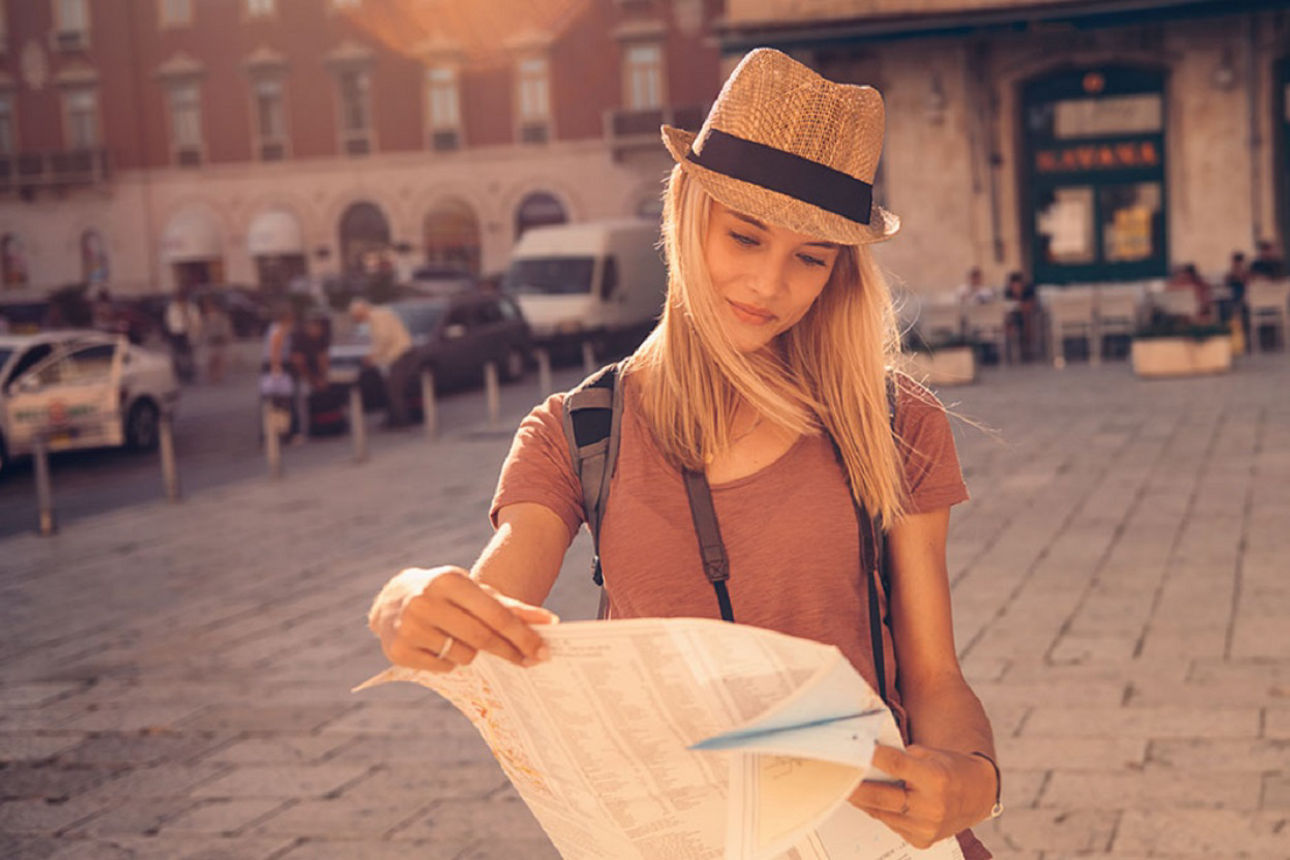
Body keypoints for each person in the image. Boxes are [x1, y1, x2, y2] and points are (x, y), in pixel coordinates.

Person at [366, 49, 997, 857]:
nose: (769, 284)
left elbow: (935, 677)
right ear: (688, 211)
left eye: (811, 257)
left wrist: (975, 777)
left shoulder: (891, 418)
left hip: (866, 840)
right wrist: (406, 599)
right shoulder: (579, 431)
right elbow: (485, 617)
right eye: (745, 236)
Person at [348, 298, 415, 429]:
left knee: (394, 390)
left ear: (361, 312)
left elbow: (384, 339)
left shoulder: (377, 316)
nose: (357, 320)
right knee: (390, 388)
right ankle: (393, 419)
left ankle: (402, 422)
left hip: (400, 354)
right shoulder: (377, 316)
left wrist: (373, 356)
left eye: (356, 317)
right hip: (396, 356)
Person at [164, 289, 202, 383]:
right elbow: (169, 321)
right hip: (177, 334)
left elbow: (197, 321)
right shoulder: (172, 308)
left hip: (189, 333)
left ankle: (190, 375)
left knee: (189, 356)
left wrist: (196, 332)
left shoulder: (192, 308)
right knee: (177, 355)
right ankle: (180, 375)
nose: (180, 299)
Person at [1002, 271, 1037, 362]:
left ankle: (1027, 346)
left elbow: (1031, 305)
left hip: (1029, 317)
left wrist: (1019, 300)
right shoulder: (1008, 292)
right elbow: (1007, 306)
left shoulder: (1029, 290)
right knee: (1008, 319)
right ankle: (1010, 348)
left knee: (1026, 317)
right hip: (1014, 316)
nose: (1015, 287)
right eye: (1013, 285)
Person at [200, 295, 233, 384]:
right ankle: (212, 376)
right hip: (210, 340)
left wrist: (227, 337)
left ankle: (218, 376)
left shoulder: (221, 317)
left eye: (210, 306)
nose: (209, 309)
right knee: (211, 359)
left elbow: (226, 328)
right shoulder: (205, 318)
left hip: (220, 339)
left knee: (220, 359)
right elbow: (203, 330)